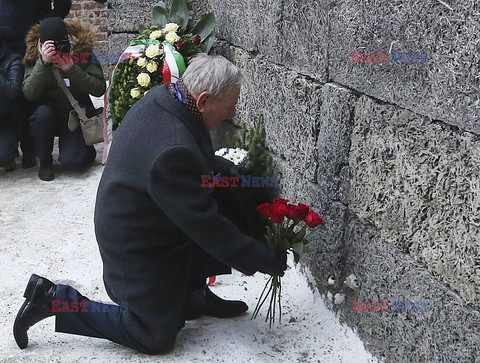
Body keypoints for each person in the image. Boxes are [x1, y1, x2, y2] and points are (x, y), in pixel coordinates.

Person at [13, 54, 287, 354]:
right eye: (231, 104)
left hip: (150, 214)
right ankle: (53, 300)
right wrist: (262, 258)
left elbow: (198, 166)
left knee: (222, 190)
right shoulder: (173, 148)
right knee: (152, 336)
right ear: (205, 100)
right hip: (134, 245)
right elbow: (207, 226)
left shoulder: (170, 96)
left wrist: (237, 179)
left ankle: (193, 296)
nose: (234, 111)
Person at [22, 17, 106, 181]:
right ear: (42, 43)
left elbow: (99, 88)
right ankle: (45, 160)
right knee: (41, 115)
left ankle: (84, 150)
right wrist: (43, 64)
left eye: (61, 42)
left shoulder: (83, 50)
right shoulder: (34, 53)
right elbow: (29, 93)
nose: (59, 48)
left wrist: (72, 69)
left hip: (75, 114)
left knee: (74, 163)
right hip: (48, 114)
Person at [0, 1, 72, 168]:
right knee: (8, 91)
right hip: (3, 43)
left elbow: (63, 3)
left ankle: (30, 149)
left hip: (32, 38)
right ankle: (8, 143)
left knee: (31, 93)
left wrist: (46, 22)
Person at [0, 39, 24, 171]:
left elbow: (13, 91)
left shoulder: (13, 60)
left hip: (6, 120)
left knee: (3, 156)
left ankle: (9, 157)